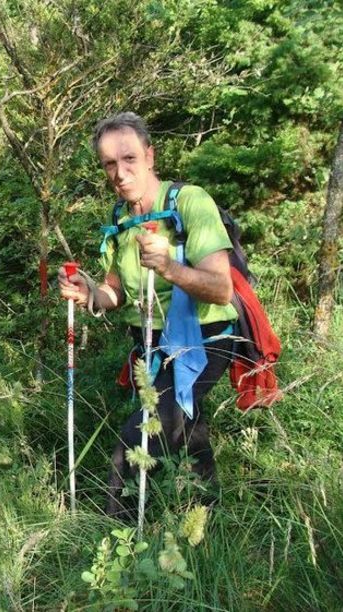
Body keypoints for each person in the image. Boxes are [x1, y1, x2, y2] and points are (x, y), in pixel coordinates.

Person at [59, 112, 237, 516]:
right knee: (188, 432)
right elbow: (113, 293)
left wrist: (170, 267)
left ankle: (112, 541)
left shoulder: (188, 201)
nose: (119, 173)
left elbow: (220, 286)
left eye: (129, 159)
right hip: (149, 344)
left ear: (150, 156)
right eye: (109, 164)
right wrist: (89, 292)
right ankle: (208, 518)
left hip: (203, 339)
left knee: (134, 441)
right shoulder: (121, 220)